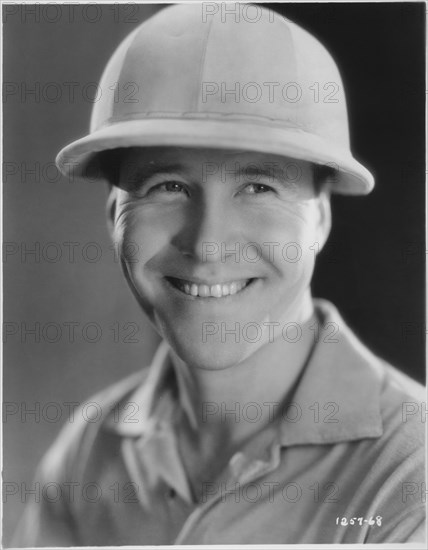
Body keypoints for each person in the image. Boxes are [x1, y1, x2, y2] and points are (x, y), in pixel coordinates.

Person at [13, 3, 425, 545]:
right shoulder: (91, 449)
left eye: (258, 188)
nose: (207, 245)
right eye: (168, 186)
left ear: (320, 217)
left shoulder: (408, 475)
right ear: (115, 215)